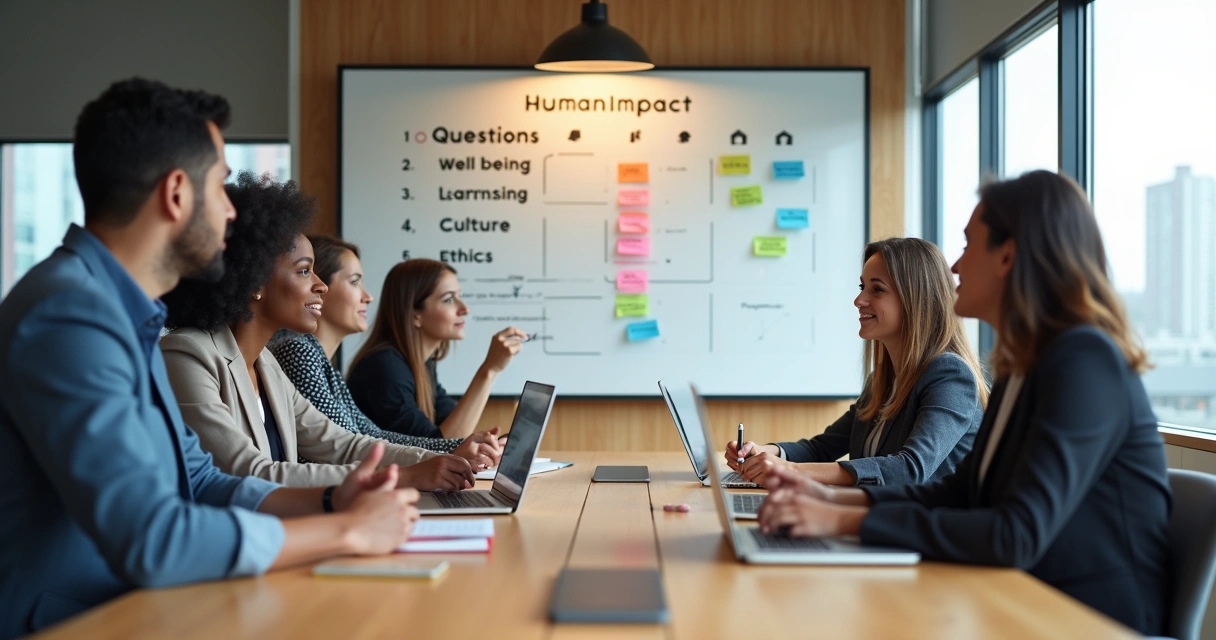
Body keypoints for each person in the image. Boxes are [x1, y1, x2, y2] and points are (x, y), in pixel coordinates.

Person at [0, 79, 420, 638]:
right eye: (220, 187)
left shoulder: (125, 310)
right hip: (79, 621)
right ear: (176, 193)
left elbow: (198, 479)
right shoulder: (69, 315)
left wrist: (327, 498)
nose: (229, 213)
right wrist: (347, 531)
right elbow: (153, 539)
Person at [756, 171, 1171, 635]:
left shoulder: (1084, 361)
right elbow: (960, 493)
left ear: (1008, 257)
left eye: (969, 245)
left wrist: (841, 519)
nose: (954, 265)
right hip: (1022, 598)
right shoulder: (1024, 367)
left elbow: (1015, 534)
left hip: (1083, 618)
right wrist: (834, 500)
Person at [160, 173, 490, 491]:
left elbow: (344, 445)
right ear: (256, 280)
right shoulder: (187, 356)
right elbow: (250, 474)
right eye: (305, 271)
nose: (320, 285)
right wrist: (403, 477)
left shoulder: (267, 367)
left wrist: (439, 461)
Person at [726, 238, 987, 487]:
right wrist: (766, 453)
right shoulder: (883, 381)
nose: (859, 300)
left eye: (877, 289)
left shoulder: (950, 375)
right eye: (862, 287)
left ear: (915, 298)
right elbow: (822, 448)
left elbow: (910, 469)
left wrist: (790, 470)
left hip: (918, 529)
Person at [269, 235, 503, 453]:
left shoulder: (319, 359)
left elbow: (370, 434)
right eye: (354, 282)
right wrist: (453, 448)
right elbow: (347, 445)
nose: (368, 296)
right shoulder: (299, 349)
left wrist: (464, 446)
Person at [346, 259, 528, 440]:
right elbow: (438, 445)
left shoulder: (423, 364)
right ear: (415, 315)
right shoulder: (384, 366)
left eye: (459, 296)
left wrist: (489, 442)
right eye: (448, 299)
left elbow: (453, 426)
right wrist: (490, 370)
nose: (464, 308)